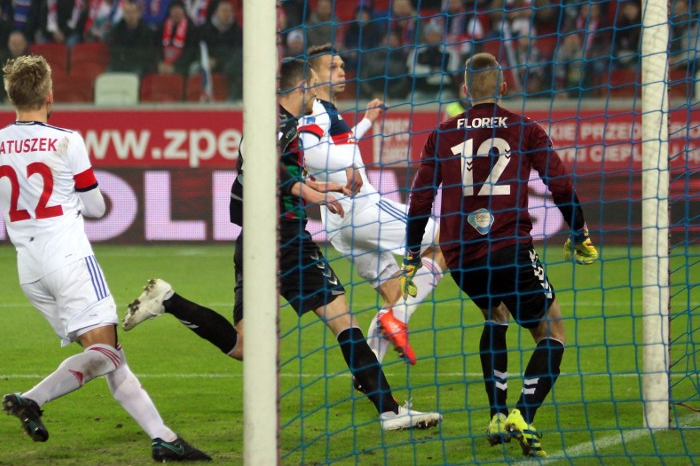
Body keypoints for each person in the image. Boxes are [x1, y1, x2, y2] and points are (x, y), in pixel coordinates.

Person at [123, 57, 442, 432]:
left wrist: (322, 187)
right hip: (286, 241)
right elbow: (276, 174)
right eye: (311, 87)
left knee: (246, 347)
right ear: (300, 88)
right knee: (344, 321)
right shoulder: (284, 128)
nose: (315, 95)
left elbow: (281, 173)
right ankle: (390, 411)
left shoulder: (266, 123)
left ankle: (169, 300)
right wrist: (310, 192)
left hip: (252, 241)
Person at [0, 54, 211, 462]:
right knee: (107, 353)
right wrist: (74, 197)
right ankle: (31, 399)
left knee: (109, 355)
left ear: (11, 98)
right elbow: (96, 209)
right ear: (49, 96)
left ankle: (163, 438)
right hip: (70, 260)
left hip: (30, 271)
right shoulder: (66, 140)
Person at [405, 52, 599, 458]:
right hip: (510, 248)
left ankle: (496, 413)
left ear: (463, 91)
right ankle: (523, 414)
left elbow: (421, 198)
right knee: (553, 332)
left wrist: (411, 252)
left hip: (461, 257)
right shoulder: (524, 128)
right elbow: (560, 185)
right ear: (504, 87)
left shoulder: (441, 134)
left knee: (495, 314)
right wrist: (578, 230)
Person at [298, 44, 446, 368]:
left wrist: (366, 122)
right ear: (313, 75)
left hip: (339, 226)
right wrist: (350, 163)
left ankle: (368, 375)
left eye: (342, 65)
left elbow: (337, 143)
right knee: (447, 239)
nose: (341, 71)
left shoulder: (326, 111)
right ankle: (397, 320)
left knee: (394, 295)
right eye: (332, 66)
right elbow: (309, 150)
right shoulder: (314, 110)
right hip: (364, 210)